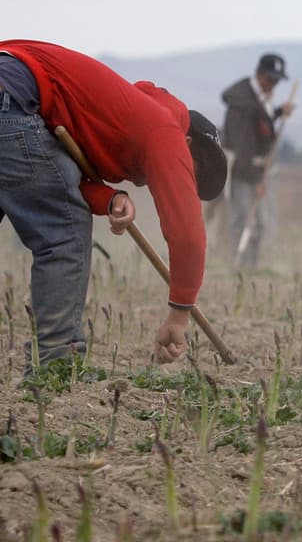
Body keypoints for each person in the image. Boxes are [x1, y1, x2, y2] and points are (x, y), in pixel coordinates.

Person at [0, 40, 227, 369]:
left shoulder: (123, 113)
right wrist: (178, 316)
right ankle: (57, 366)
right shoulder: (165, 128)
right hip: (14, 96)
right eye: (194, 172)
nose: (186, 182)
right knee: (64, 233)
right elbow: (188, 234)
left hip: (12, 93)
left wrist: (109, 198)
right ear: (186, 143)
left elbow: (59, 171)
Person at [221, 53, 294, 269]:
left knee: (259, 222)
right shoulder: (242, 103)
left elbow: (262, 122)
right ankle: (240, 265)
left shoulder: (258, 99)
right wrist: (256, 180)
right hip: (242, 169)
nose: (273, 85)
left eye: (277, 81)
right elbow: (243, 144)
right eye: (270, 79)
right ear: (259, 75)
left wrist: (279, 112)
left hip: (257, 169)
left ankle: (251, 265)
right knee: (242, 219)